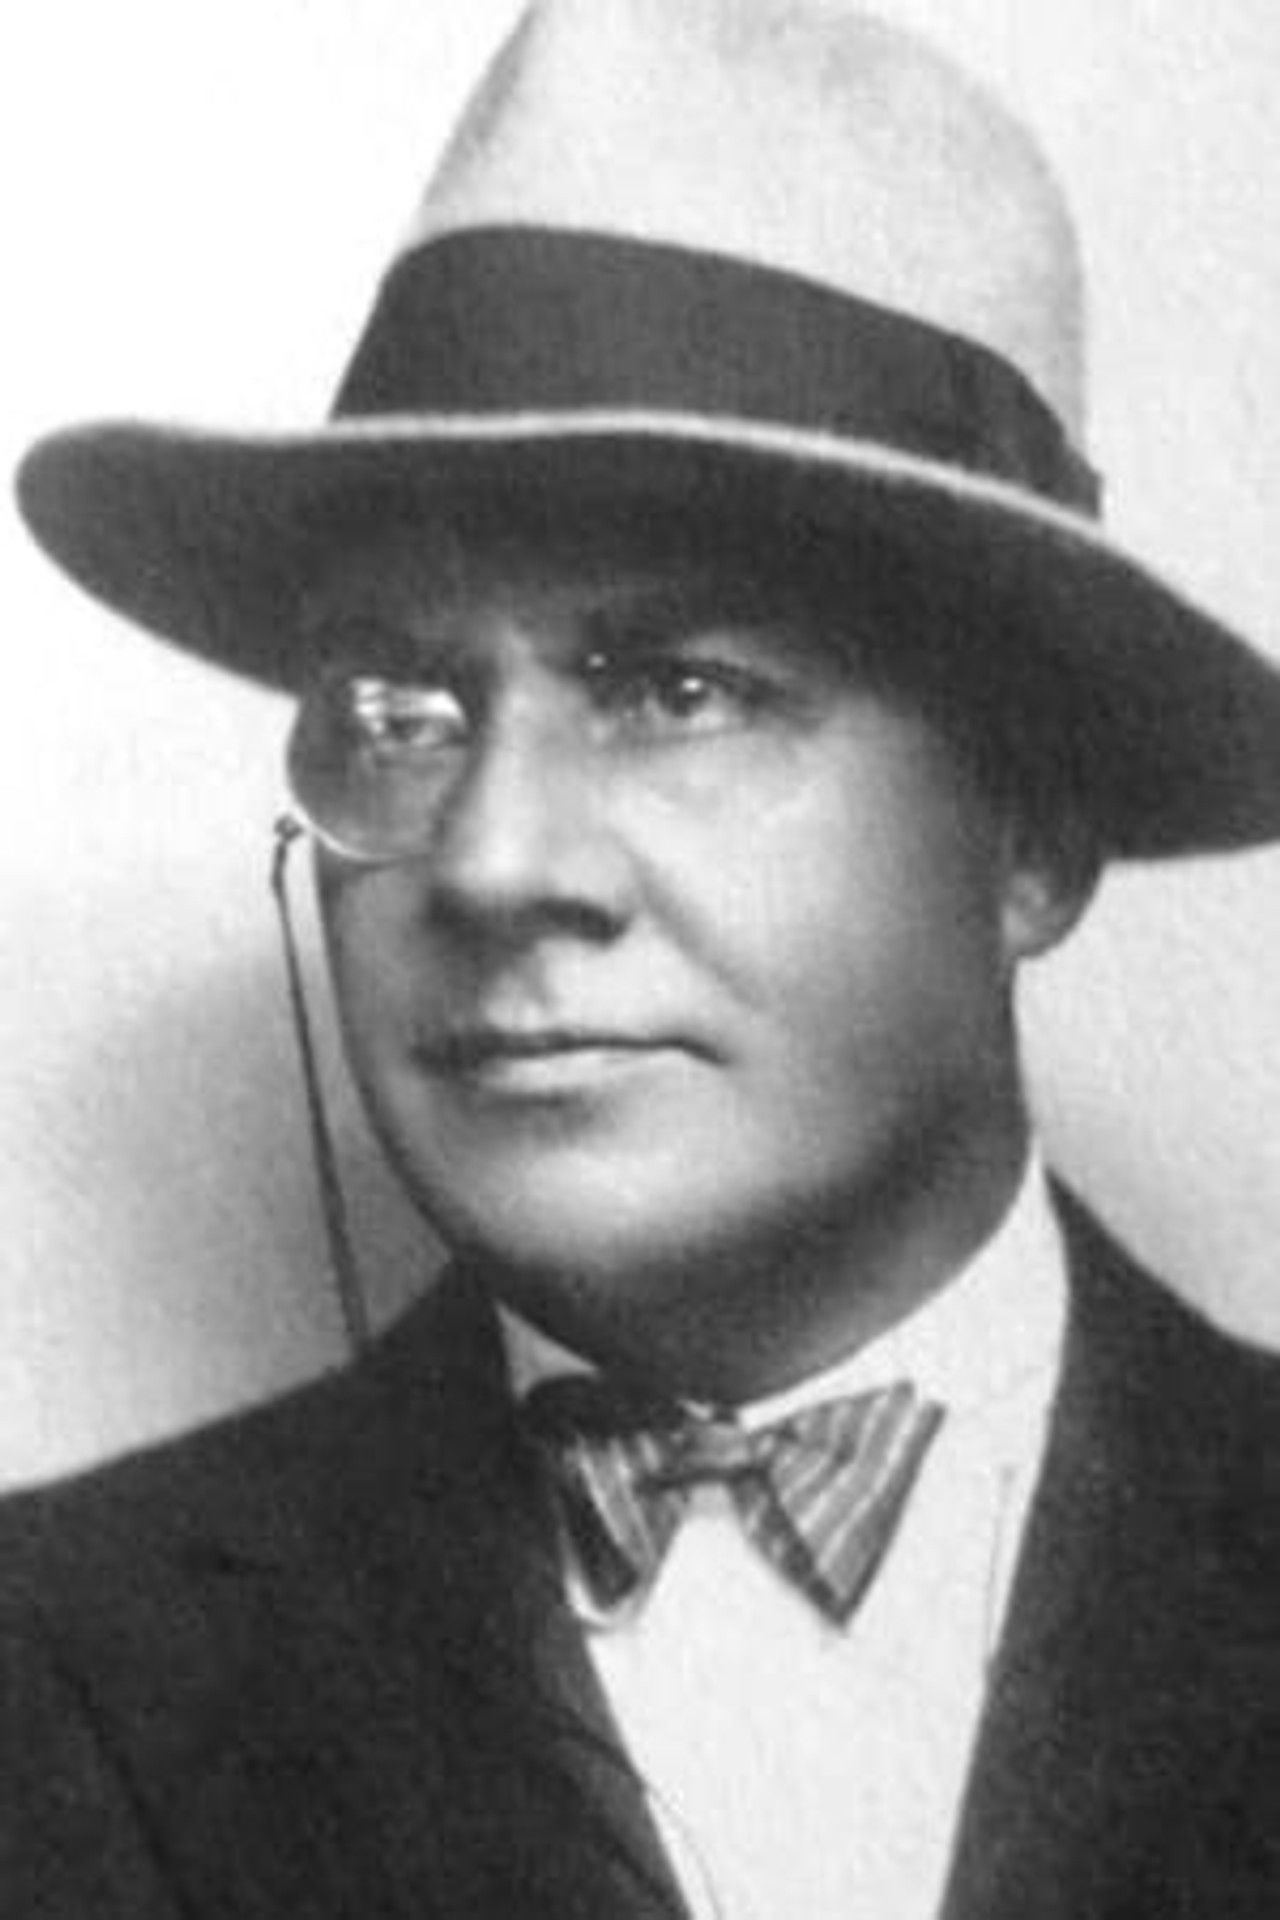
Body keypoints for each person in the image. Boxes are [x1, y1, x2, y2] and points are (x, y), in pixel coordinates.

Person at [6, 1, 1279, 1915]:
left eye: (681, 688)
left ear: (1032, 836)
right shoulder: (48, 1667)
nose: (495, 861)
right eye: (398, 710)